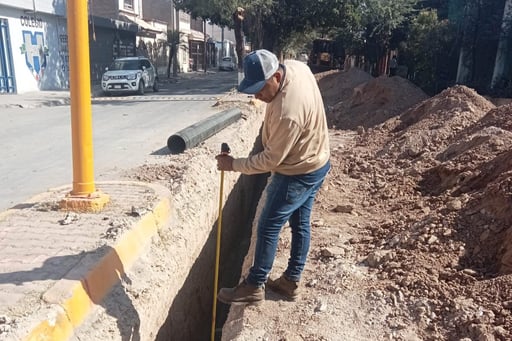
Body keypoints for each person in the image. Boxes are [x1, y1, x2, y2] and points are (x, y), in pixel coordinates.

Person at [215, 49, 330, 305]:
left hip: (297, 171)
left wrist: (233, 164)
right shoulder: (296, 67)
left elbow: (270, 160)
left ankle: (254, 286)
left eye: (260, 88)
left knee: (267, 225)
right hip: (318, 159)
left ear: (276, 76)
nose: (256, 95)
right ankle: (290, 281)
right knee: (301, 223)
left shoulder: (288, 113)